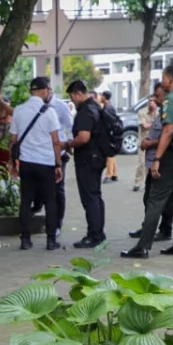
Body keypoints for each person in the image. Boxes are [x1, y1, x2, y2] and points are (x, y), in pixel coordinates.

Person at [121, 64, 173, 259]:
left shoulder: (171, 100)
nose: (161, 81)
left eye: (163, 77)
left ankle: (143, 246)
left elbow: (168, 131)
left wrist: (157, 159)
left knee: (155, 199)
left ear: (170, 79)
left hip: (171, 156)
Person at [10, 77, 63, 250]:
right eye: (48, 89)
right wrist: (58, 165)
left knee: (26, 200)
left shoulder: (18, 111)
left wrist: (12, 163)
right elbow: (56, 141)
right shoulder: (49, 112)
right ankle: (51, 240)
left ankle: (25, 239)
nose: (48, 92)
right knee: (50, 201)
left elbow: (13, 140)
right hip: (46, 162)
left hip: (26, 162)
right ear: (43, 90)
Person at [127, 83, 173, 242]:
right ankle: (148, 226)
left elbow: (168, 136)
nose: (154, 98)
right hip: (151, 160)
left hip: (161, 161)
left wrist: (151, 143)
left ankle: (164, 229)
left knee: (162, 200)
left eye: (157, 95)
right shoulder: (160, 112)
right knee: (148, 197)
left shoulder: (169, 112)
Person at [65, 79, 106, 248]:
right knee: (96, 196)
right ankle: (99, 232)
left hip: (88, 159)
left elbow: (83, 137)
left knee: (90, 198)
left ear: (78, 93)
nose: (72, 101)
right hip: (97, 158)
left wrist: (68, 144)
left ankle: (93, 235)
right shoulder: (95, 107)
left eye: (72, 97)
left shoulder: (85, 111)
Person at [43, 86, 75, 235]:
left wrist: (68, 147)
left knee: (58, 189)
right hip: (41, 154)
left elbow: (71, 127)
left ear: (49, 91)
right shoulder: (36, 106)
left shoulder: (60, 107)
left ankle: (57, 224)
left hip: (59, 152)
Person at [133, 96, 157, 191]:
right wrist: (155, 124)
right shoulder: (142, 112)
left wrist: (155, 115)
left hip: (154, 143)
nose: (151, 103)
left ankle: (150, 184)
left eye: (153, 101)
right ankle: (137, 183)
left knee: (151, 164)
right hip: (143, 142)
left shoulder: (159, 113)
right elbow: (145, 126)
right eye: (150, 101)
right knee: (142, 163)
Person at [100, 91, 119, 183]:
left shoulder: (108, 108)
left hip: (108, 133)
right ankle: (114, 174)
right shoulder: (109, 107)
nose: (100, 97)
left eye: (101, 95)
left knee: (108, 154)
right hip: (110, 133)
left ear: (104, 97)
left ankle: (109, 174)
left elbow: (109, 121)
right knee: (111, 153)